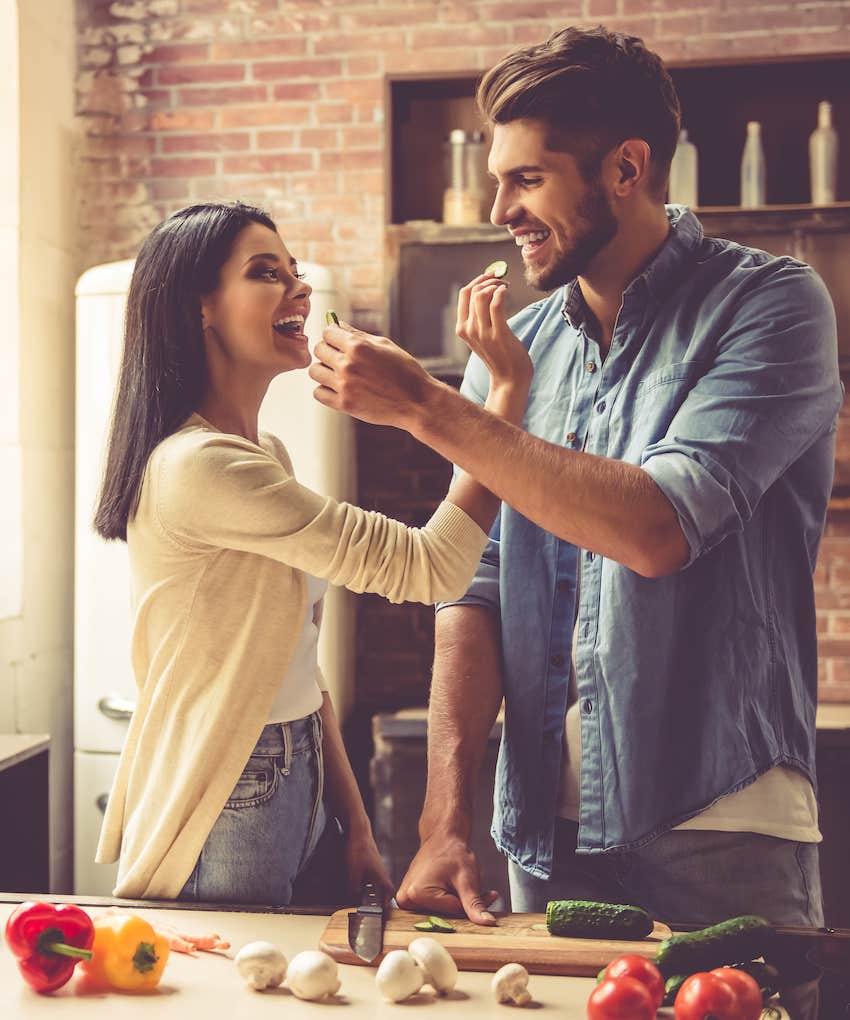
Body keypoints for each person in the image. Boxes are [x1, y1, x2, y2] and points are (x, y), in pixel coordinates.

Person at [309, 26, 842, 928]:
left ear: (626, 169)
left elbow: (656, 528)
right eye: (497, 182)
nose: (500, 209)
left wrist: (428, 407)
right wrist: (447, 816)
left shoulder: (772, 305)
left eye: (527, 179)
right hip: (546, 835)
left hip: (722, 817)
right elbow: (472, 591)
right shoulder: (510, 358)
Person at [92, 201, 531, 904]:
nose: (298, 288)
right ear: (196, 309)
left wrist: (350, 822)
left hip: (292, 770)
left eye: (294, 270)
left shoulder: (263, 456)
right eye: (266, 273)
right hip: (230, 787)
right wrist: (502, 397)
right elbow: (433, 567)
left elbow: (295, 662)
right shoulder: (202, 467)